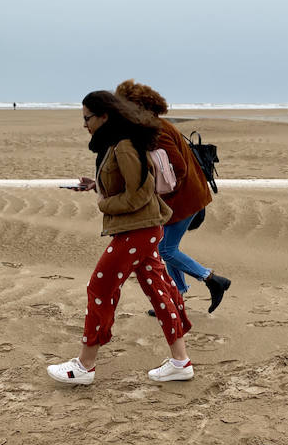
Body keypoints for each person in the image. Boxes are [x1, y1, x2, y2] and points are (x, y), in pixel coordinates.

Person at [47, 90, 194, 386]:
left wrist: (104, 204)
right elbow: (128, 184)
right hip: (144, 229)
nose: (84, 124)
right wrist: (96, 186)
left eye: (87, 118)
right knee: (159, 291)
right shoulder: (117, 144)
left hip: (138, 230)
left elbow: (139, 193)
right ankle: (181, 362)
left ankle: (85, 366)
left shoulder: (124, 146)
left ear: (104, 116)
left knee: (99, 287)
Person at [115, 80, 231, 313]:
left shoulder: (156, 131)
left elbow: (178, 168)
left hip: (184, 199)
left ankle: (212, 280)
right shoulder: (155, 126)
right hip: (186, 196)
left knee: (166, 250)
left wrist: (158, 195)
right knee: (165, 247)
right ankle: (176, 296)